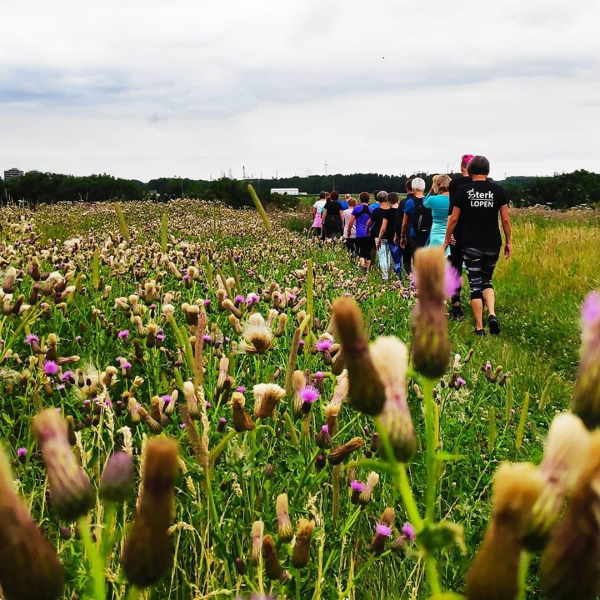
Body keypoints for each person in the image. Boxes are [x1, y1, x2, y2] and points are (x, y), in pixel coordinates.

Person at [444, 155, 512, 336]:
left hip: (471, 243)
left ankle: (480, 327)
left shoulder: (463, 191)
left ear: (470, 170)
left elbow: (454, 219)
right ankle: (492, 313)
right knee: (487, 281)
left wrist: (446, 240)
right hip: (493, 243)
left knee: (475, 284)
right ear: (488, 171)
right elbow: (505, 219)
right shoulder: (499, 191)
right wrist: (509, 242)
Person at [447, 154, 474, 319]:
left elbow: (452, 212)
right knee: (475, 269)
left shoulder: (455, 183)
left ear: (461, 166)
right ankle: (478, 300)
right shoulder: (483, 183)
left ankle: (456, 306)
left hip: (458, 230)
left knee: (455, 267)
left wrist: (449, 234)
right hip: (476, 232)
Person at [399, 177, 431, 273]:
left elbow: (404, 223)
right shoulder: (429, 201)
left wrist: (402, 236)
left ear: (412, 188)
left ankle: (417, 280)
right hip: (427, 234)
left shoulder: (410, 202)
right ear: (424, 188)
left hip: (414, 234)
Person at [424, 174, 451, 254]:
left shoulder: (433, 199)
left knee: (435, 260)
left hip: (436, 232)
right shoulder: (454, 199)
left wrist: (432, 190)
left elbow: (425, 202)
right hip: (450, 233)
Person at [371, 191, 394, 281]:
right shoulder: (391, 210)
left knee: (382, 257)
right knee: (389, 256)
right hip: (390, 236)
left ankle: (385, 277)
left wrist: (368, 228)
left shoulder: (376, 211)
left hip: (379, 236)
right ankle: (391, 274)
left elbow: (371, 222)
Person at [347, 192, 373, 271]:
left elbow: (351, 222)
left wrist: (349, 231)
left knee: (361, 251)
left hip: (359, 233)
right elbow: (373, 221)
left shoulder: (357, 208)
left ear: (360, 199)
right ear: (368, 199)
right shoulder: (371, 209)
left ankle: (362, 268)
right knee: (368, 252)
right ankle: (368, 271)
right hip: (369, 233)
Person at [387, 192, 403, 276]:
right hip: (402, 235)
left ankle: (398, 272)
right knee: (402, 256)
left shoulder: (388, 212)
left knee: (395, 257)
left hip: (391, 236)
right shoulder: (402, 210)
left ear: (388, 201)